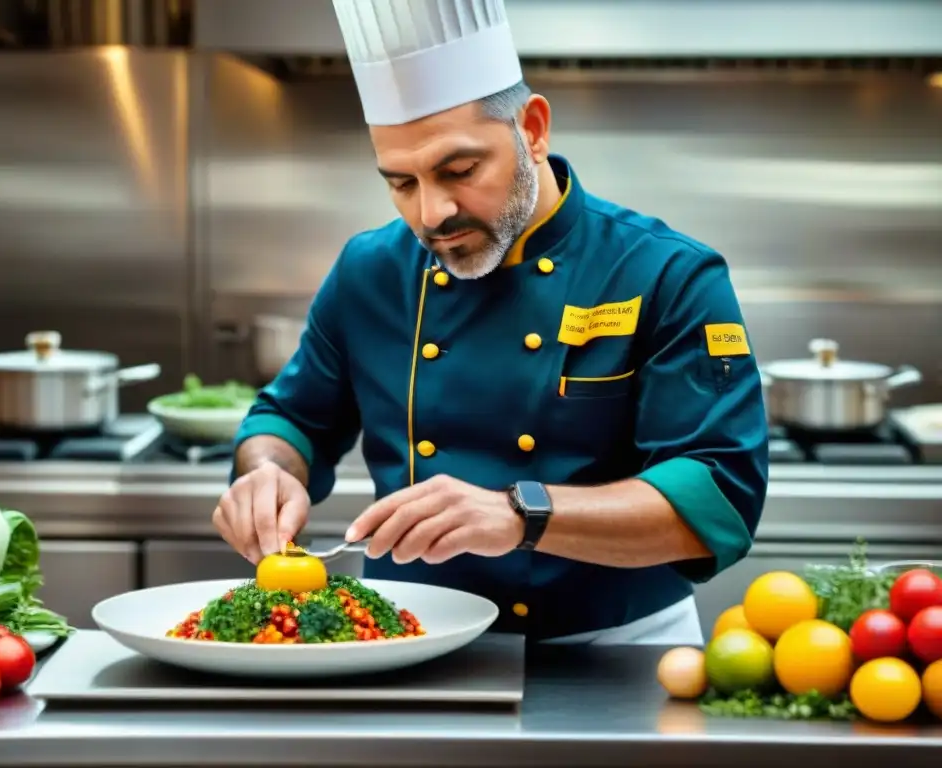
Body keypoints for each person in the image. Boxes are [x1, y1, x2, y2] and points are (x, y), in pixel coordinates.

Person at [212, 0, 769, 645]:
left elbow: (717, 498)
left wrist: (521, 513)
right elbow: (292, 419)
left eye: (460, 170)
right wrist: (268, 472)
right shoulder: (369, 270)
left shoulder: (664, 274)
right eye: (401, 182)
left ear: (532, 129)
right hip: (400, 642)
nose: (432, 212)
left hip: (616, 651)